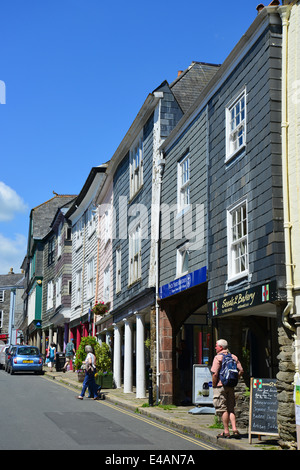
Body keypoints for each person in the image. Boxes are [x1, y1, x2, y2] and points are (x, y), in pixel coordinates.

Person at [211, 339, 243, 439]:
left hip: (221, 386)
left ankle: (226, 431)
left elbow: (215, 373)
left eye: (216, 345)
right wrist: (234, 379)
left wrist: (214, 384)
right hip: (231, 386)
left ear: (221, 347)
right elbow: (241, 370)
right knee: (231, 409)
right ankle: (235, 429)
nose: (215, 347)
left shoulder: (218, 357)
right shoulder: (233, 357)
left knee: (223, 409)